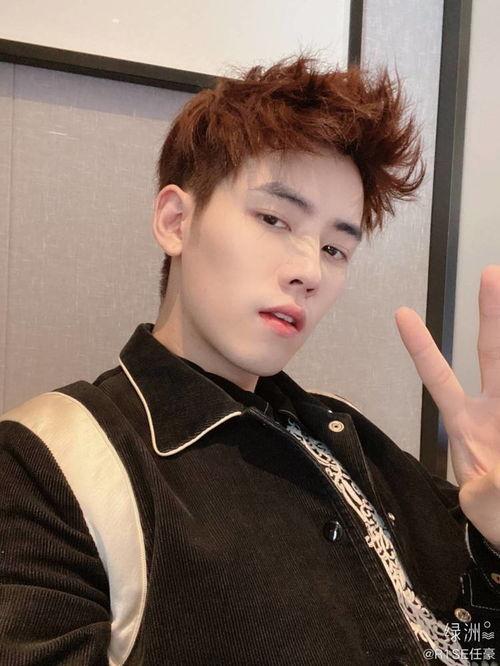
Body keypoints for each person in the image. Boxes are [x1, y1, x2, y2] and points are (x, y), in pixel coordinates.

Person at [1, 54, 499, 666]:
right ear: (176, 221)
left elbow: (476, 642)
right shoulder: (46, 461)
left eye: (336, 249)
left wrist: (494, 543)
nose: (309, 270)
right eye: (273, 218)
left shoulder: (349, 436)